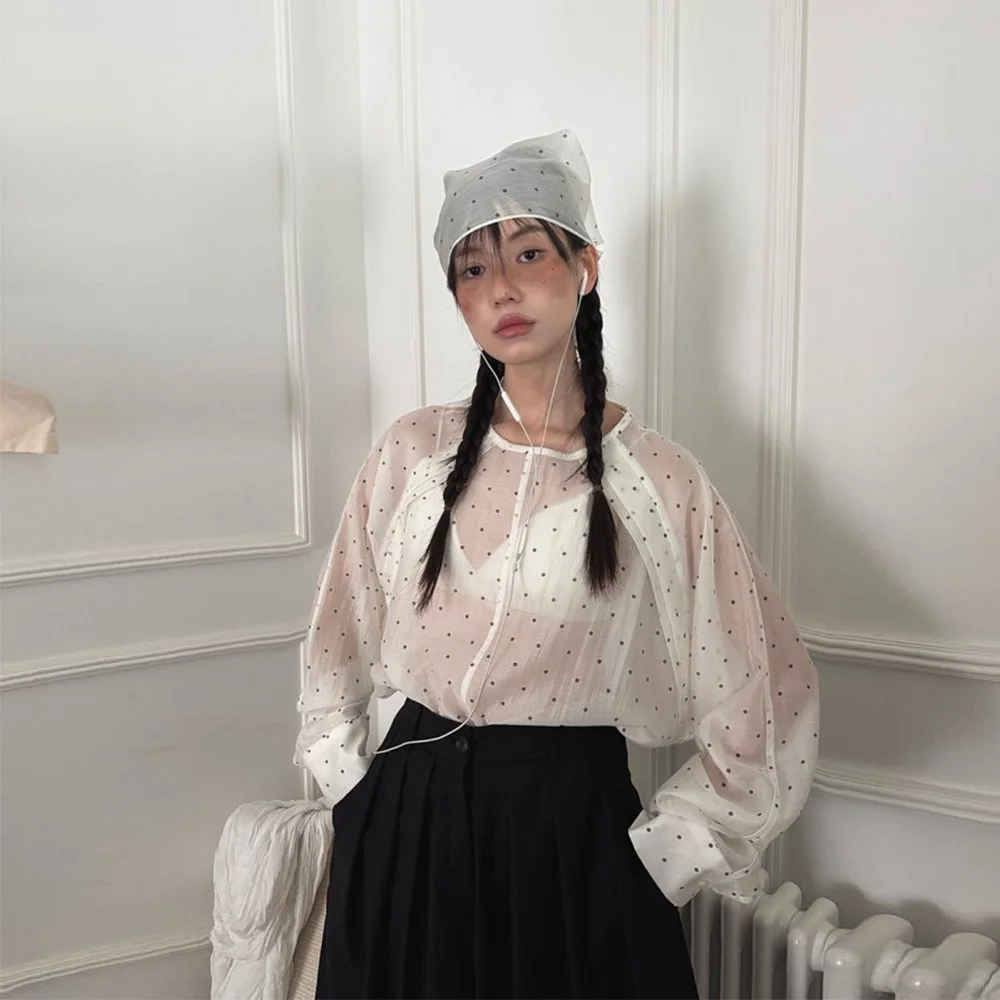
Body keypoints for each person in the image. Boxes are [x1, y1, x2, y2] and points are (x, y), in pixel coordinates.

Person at [297, 129, 820, 999]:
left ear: (586, 267)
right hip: (403, 827)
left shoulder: (660, 481)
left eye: (529, 253)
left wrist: (668, 855)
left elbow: (771, 685)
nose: (501, 287)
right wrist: (355, 791)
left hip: (569, 840)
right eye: (472, 269)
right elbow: (337, 636)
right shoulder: (414, 453)